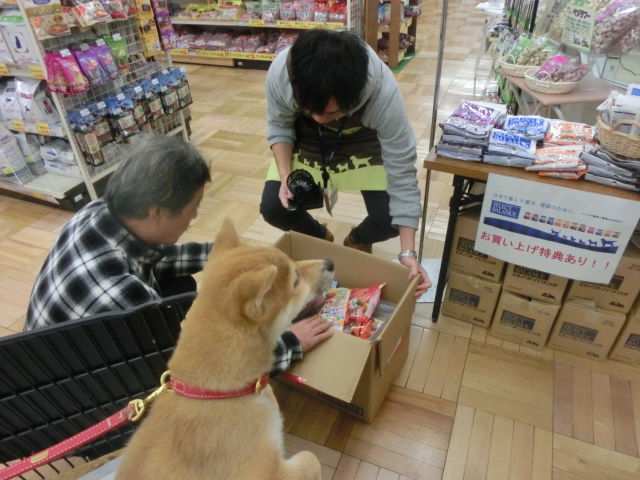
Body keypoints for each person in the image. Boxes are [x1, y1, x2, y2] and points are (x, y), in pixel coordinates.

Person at [25, 135, 332, 376]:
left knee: (180, 286)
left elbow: (159, 258)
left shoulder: (96, 212)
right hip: (76, 396)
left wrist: (246, 259)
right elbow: (202, 372)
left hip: (54, 354)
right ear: (156, 211)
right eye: (193, 206)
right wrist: (291, 342)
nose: (195, 215)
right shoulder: (124, 297)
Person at [260, 30, 431, 299]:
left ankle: (359, 239)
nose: (320, 118)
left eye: (332, 112)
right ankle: (319, 236)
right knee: (275, 207)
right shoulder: (282, 73)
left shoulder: (382, 93)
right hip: (307, 138)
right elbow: (280, 126)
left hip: (365, 140)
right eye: (310, 110)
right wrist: (285, 176)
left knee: (390, 218)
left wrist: (407, 253)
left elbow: (402, 170)